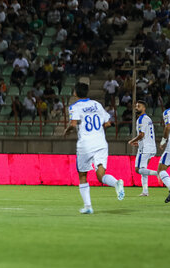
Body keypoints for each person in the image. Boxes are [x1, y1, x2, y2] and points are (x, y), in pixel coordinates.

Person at [63, 82, 125, 214]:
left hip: (86, 145)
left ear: (75, 93)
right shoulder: (97, 104)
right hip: (101, 143)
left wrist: (67, 130)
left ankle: (88, 206)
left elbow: (73, 124)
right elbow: (108, 123)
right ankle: (116, 183)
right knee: (100, 175)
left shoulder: (75, 106)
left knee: (83, 175)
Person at [127, 100, 159, 196]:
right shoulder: (148, 119)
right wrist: (138, 142)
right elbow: (146, 135)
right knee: (144, 169)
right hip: (151, 147)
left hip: (145, 148)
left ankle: (157, 173)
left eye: (139, 106)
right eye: (136, 106)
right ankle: (145, 191)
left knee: (137, 169)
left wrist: (132, 141)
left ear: (144, 108)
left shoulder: (141, 119)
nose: (136, 108)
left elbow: (141, 134)